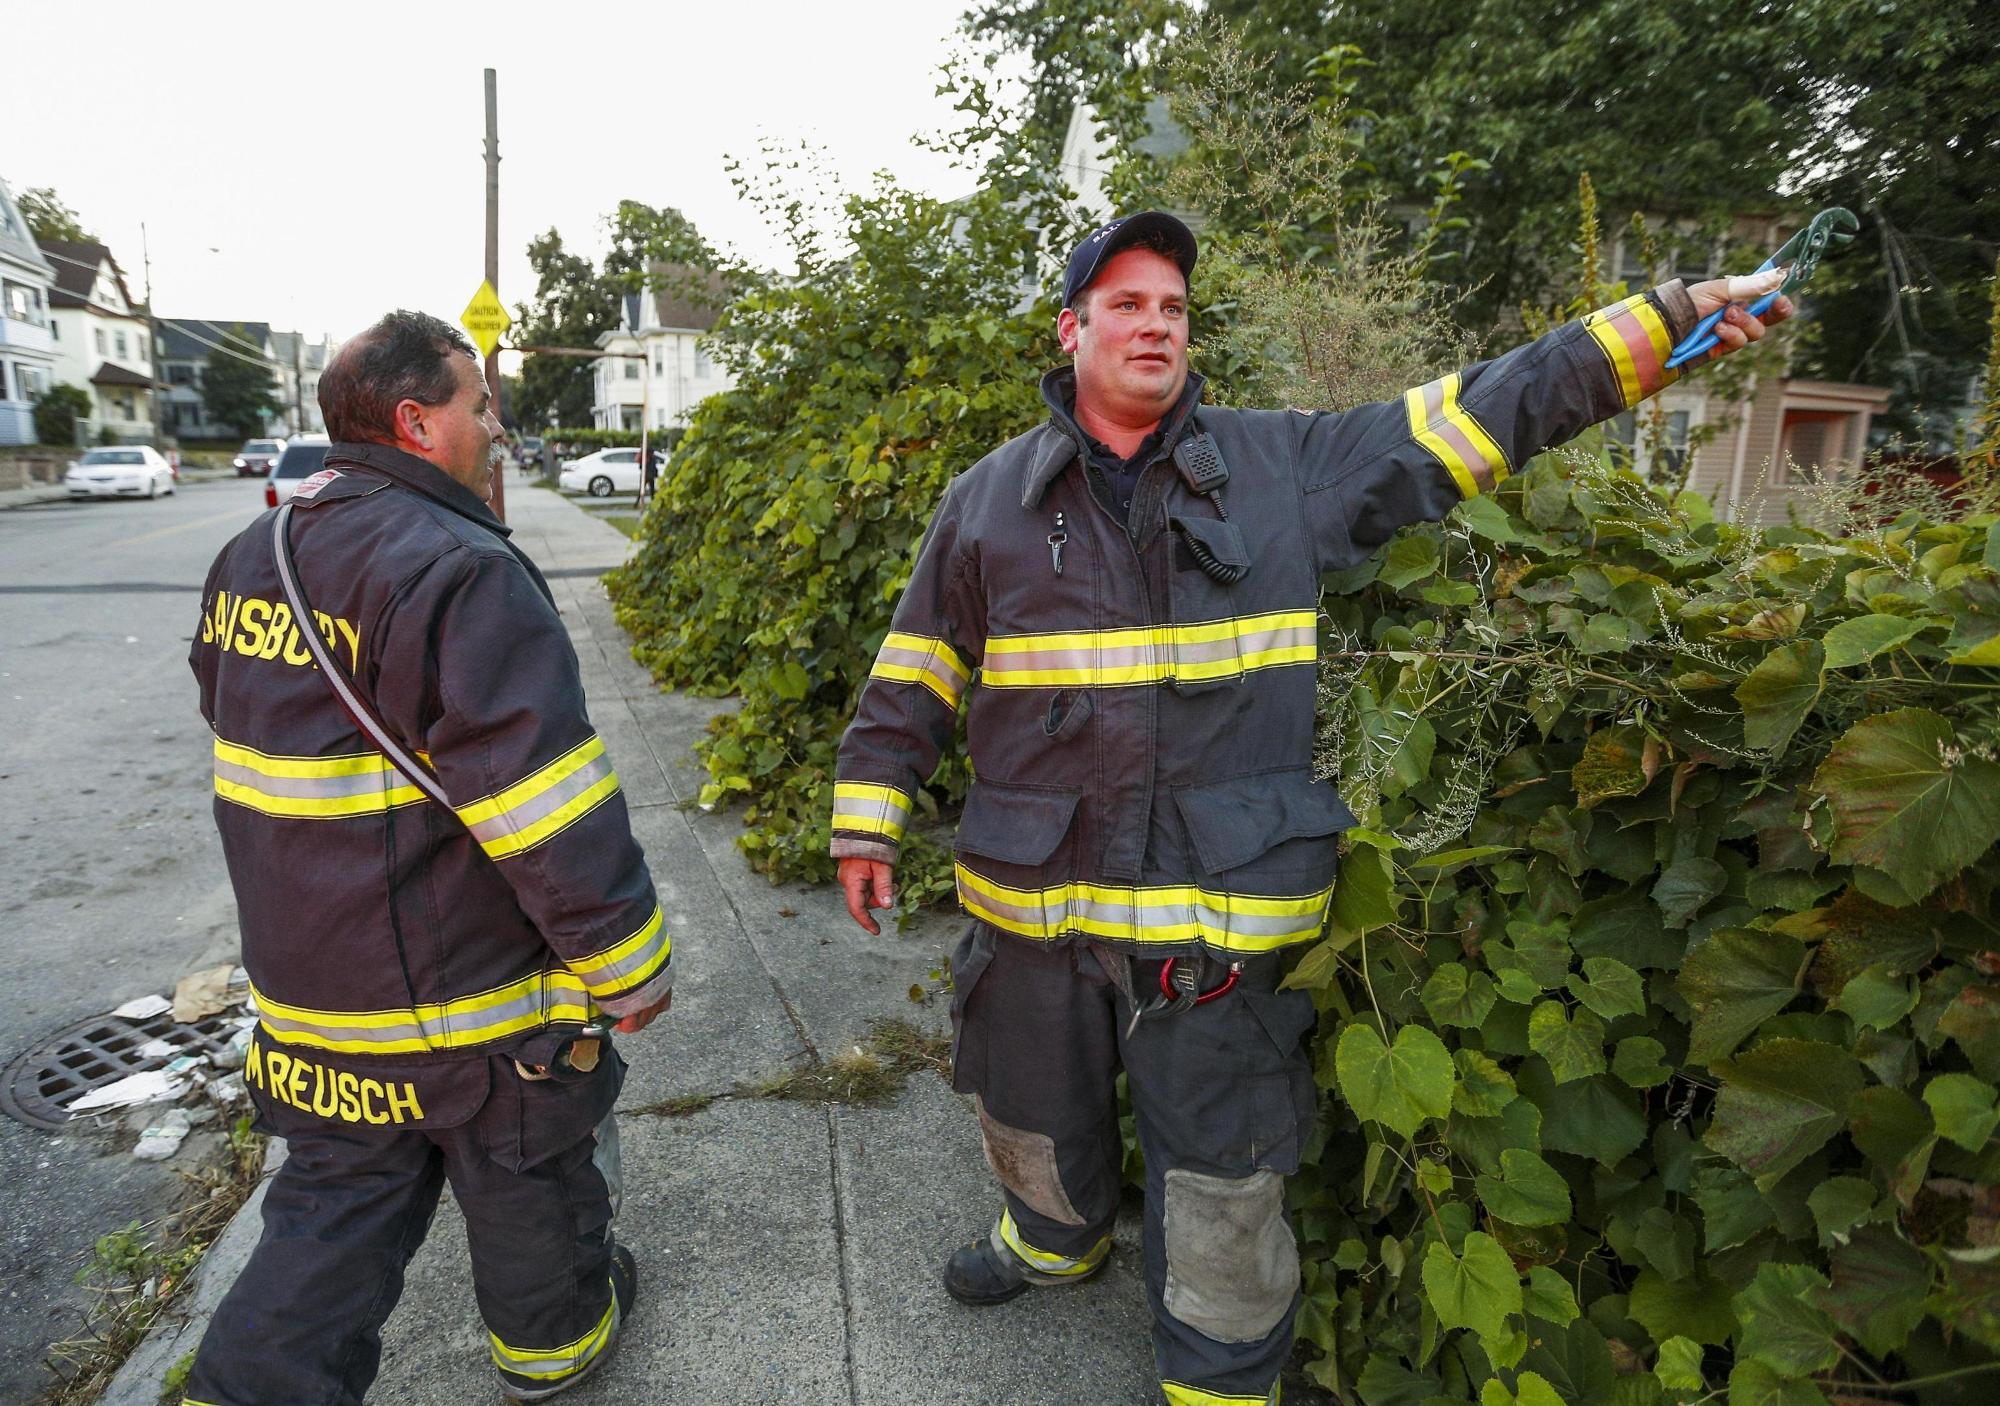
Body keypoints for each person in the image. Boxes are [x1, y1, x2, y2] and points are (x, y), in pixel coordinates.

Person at [831, 212, 1789, 1406]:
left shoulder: (1285, 467)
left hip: (1218, 912)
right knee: (1027, 1095)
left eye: (1173, 307)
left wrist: (1657, 327)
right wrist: (868, 815)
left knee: (1223, 1166)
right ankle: (1050, 1239)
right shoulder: (986, 503)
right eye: (1125, 303)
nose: (1155, 324)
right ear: (1070, 329)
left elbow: (1473, 415)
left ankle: (1220, 1380)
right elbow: (914, 665)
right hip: (1033, 898)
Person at [183, 310, 673, 1406]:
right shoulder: (459, 567)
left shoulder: (253, 554)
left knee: (333, 1206)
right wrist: (630, 964)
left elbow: (238, 719)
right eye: (477, 403)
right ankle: (556, 1352)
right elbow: (548, 805)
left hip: (311, 991)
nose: (493, 426)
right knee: (524, 1174)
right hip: (461, 995)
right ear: (417, 421)